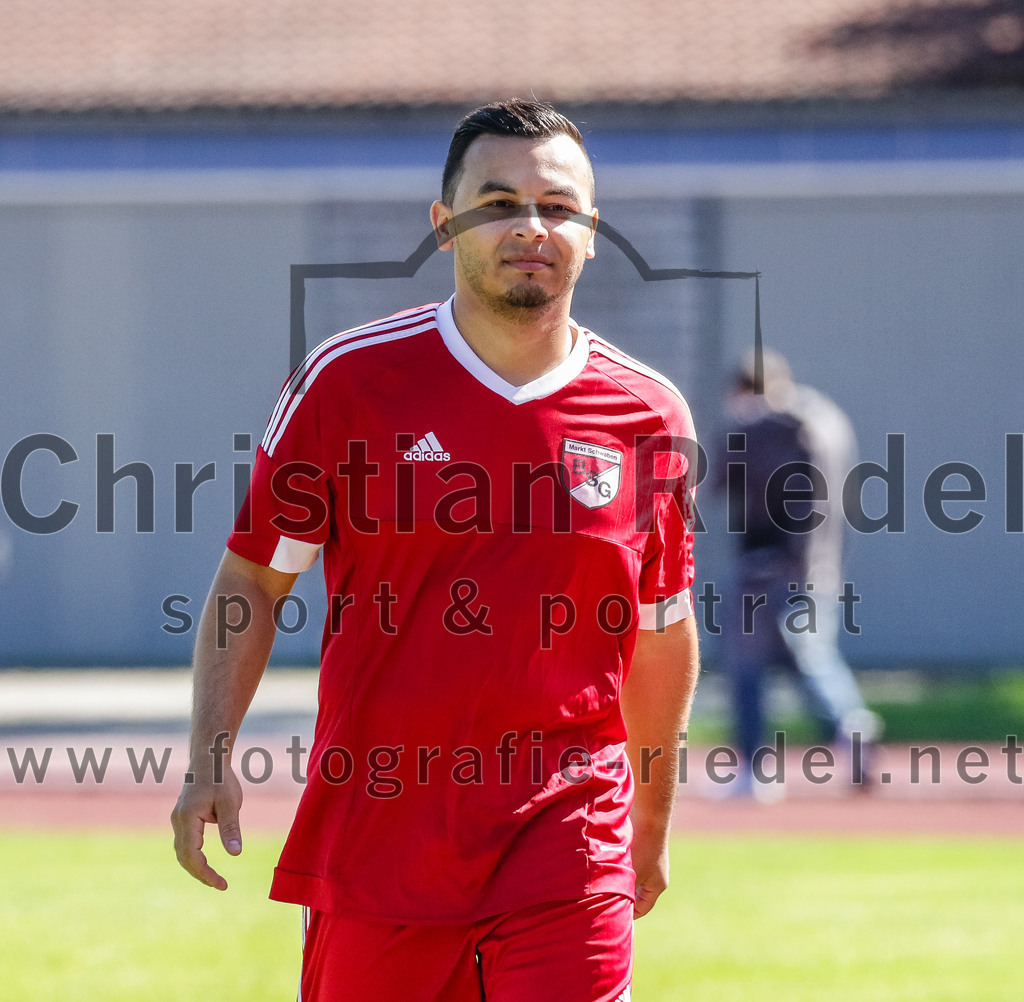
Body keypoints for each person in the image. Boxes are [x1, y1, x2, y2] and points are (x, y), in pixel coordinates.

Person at [172, 99, 700, 1002]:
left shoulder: (649, 415)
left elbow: (660, 630)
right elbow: (255, 578)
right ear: (443, 223)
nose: (530, 226)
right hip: (380, 841)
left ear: (593, 231)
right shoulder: (350, 383)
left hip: (569, 839)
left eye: (557, 205)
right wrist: (209, 754)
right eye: (497, 202)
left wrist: (648, 820)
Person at [717, 349, 879, 798]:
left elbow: (721, 480)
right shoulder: (825, 419)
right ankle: (850, 725)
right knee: (809, 658)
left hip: (771, 570)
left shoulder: (775, 428)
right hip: (816, 569)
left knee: (748, 667)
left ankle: (754, 770)